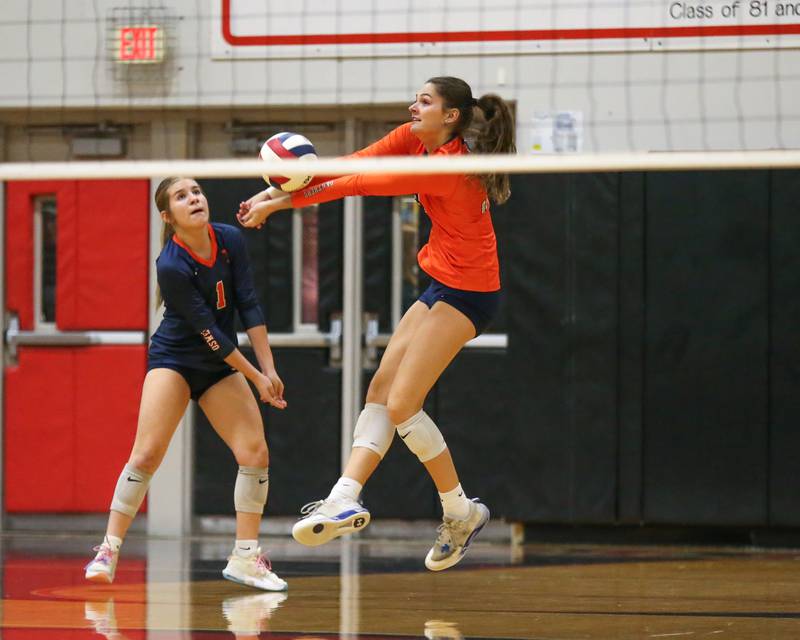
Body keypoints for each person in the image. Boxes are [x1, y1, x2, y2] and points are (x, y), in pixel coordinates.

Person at [239, 76, 515, 571]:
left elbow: (360, 184)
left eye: (425, 102)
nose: (413, 107)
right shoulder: (414, 139)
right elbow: (356, 163)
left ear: (451, 116)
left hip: (472, 293)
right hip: (442, 282)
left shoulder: (448, 168)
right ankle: (343, 497)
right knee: (381, 392)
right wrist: (282, 186)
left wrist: (281, 202)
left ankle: (460, 512)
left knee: (405, 404)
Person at [85, 177, 288, 591]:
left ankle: (245, 557)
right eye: (182, 196)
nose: (194, 198)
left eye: (196, 191)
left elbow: (249, 304)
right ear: (168, 216)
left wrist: (269, 369)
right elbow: (211, 334)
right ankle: (108, 549)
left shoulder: (230, 240)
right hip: (176, 359)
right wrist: (255, 378)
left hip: (218, 367)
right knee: (146, 454)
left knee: (255, 452)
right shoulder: (171, 264)